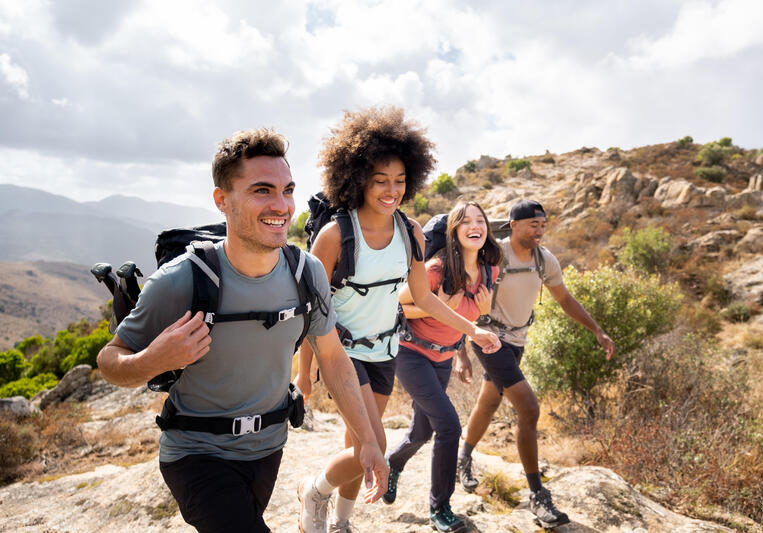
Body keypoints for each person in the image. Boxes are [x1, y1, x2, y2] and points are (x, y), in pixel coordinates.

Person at [97, 128, 388, 533]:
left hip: (268, 449)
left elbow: (334, 357)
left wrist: (367, 439)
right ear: (222, 200)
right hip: (195, 453)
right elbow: (110, 361)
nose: (281, 205)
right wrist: (154, 359)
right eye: (262, 190)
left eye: (287, 190)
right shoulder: (181, 281)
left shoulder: (308, 273)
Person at [294, 107, 501, 533]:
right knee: (376, 443)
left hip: (385, 349)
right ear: (358, 180)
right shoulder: (335, 236)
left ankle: (342, 522)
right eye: (380, 180)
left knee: (357, 443)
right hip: (341, 352)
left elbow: (423, 296)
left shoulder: (411, 232)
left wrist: (473, 330)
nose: (392, 190)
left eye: (400, 181)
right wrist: (305, 372)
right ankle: (314, 491)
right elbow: (310, 312)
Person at [458, 199, 616, 530]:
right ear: (514, 225)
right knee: (529, 408)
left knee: (489, 402)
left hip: (517, 341)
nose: (540, 231)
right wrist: (461, 351)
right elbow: (462, 300)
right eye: (533, 224)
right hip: (489, 337)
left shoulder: (545, 261)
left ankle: (464, 457)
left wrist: (597, 330)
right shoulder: (493, 255)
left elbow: (565, 299)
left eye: (543, 225)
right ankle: (537, 495)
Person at [383, 201, 502, 532]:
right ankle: (441, 508)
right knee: (449, 425)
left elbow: (463, 318)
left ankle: (393, 462)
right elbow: (395, 304)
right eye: (465, 221)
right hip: (411, 354)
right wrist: (436, 307)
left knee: (422, 431)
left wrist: (462, 353)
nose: (474, 225)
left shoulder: (489, 272)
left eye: (480, 220)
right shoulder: (436, 269)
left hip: (444, 357)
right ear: (454, 231)